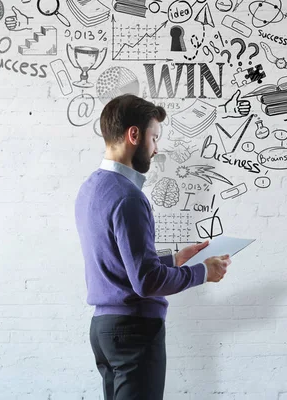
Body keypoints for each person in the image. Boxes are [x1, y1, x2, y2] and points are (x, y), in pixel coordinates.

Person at [74, 94, 231, 400]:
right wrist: (204, 272)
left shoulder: (91, 188)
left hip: (105, 330)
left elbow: (117, 259)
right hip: (133, 332)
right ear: (134, 135)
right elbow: (146, 281)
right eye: (154, 137)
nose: (157, 148)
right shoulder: (128, 196)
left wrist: (174, 259)